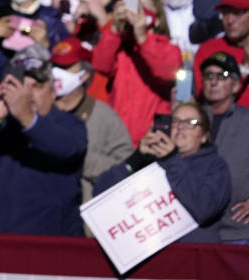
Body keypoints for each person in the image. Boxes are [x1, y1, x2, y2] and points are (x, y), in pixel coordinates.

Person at [0, 45, 87, 236]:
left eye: (37, 86)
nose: (26, 94)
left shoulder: (68, 123)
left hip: (46, 243)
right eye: (20, 86)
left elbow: (67, 148)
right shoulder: (1, 122)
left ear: (52, 94)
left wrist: (27, 117)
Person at [94, 102, 230, 243]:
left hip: (192, 257)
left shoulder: (215, 166)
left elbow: (204, 208)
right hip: (149, 256)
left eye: (191, 122)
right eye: (175, 121)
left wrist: (172, 160)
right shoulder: (150, 161)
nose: (180, 127)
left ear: (204, 136)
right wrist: (136, 158)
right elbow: (100, 194)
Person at [49, 37, 133, 207]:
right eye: (54, 66)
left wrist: (78, 158)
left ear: (84, 75)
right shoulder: (42, 110)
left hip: (83, 214)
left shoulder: (104, 116)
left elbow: (125, 167)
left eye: (65, 68)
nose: (56, 73)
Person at [92, 0, 181, 145]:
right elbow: (101, 65)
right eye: (134, 4)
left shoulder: (170, 49)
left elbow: (166, 72)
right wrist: (114, 28)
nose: (139, 10)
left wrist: (143, 38)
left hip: (152, 140)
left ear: (159, 18)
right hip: (118, 140)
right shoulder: (122, 48)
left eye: (145, 6)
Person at [198, 52, 249, 243]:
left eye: (222, 76)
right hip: (198, 230)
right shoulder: (191, 119)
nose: (213, 82)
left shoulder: (247, 120)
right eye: (208, 76)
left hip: (239, 232)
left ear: (235, 85)